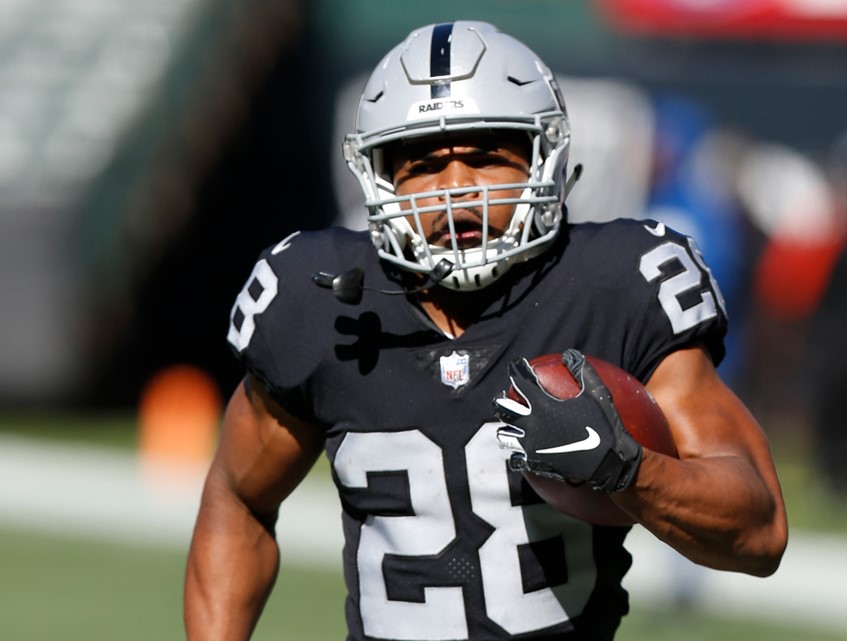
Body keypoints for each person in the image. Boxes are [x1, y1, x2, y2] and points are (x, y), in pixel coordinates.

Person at [184, 20, 787, 641]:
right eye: (422, 164)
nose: (455, 192)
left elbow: (759, 531)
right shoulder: (319, 301)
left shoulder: (615, 287)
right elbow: (238, 498)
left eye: (484, 157)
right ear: (378, 177)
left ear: (542, 158)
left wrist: (627, 471)